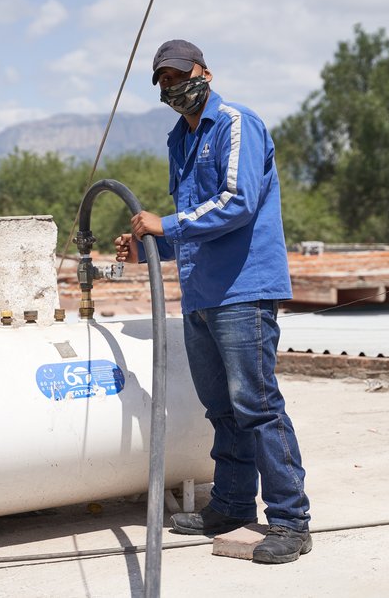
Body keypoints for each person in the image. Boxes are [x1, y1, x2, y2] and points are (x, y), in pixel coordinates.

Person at [114, 39, 311, 564]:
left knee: (258, 407)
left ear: (205, 71)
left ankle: (291, 520)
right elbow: (194, 220)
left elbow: (238, 203)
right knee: (221, 410)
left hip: (243, 290)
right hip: (201, 293)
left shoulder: (236, 122)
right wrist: (148, 246)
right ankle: (230, 504)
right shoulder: (179, 137)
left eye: (181, 74)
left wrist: (168, 223)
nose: (175, 86)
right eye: (165, 81)